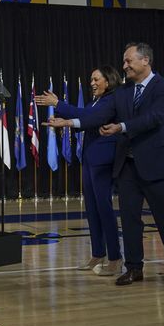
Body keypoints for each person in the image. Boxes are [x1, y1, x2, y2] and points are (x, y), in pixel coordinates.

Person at [39, 43, 164, 285]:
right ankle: (133, 267)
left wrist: (122, 127)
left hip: (159, 165)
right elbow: (96, 116)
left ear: (145, 60)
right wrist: (65, 116)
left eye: (129, 61)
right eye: (124, 61)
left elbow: (154, 118)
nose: (124, 66)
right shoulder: (122, 92)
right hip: (128, 166)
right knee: (129, 219)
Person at [39, 66, 123, 276]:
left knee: (104, 209)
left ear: (109, 81)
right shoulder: (95, 101)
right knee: (92, 210)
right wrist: (64, 121)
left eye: (96, 79)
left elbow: (90, 117)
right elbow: (86, 118)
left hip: (103, 161)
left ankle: (115, 258)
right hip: (89, 160)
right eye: (91, 80)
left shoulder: (111, 100)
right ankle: (97, 254)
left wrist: (58, 105)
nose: (92, 83)